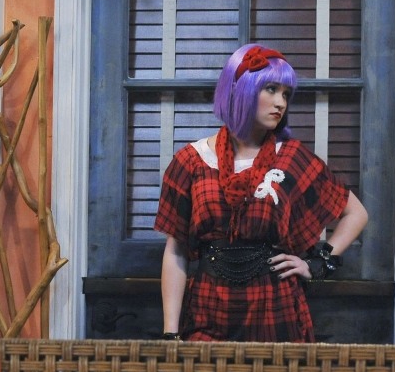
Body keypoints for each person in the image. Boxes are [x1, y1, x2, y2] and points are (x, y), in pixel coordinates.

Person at [155, 43, 368, 343]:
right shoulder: (191, 161)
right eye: (271, 89)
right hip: (208, 309)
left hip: (275, 309)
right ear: (241, 89)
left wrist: (315, 264)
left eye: (286, 94)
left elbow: (356, 213)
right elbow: (176, 251)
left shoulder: (292, 158)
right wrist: (170, 334)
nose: (280, 103)